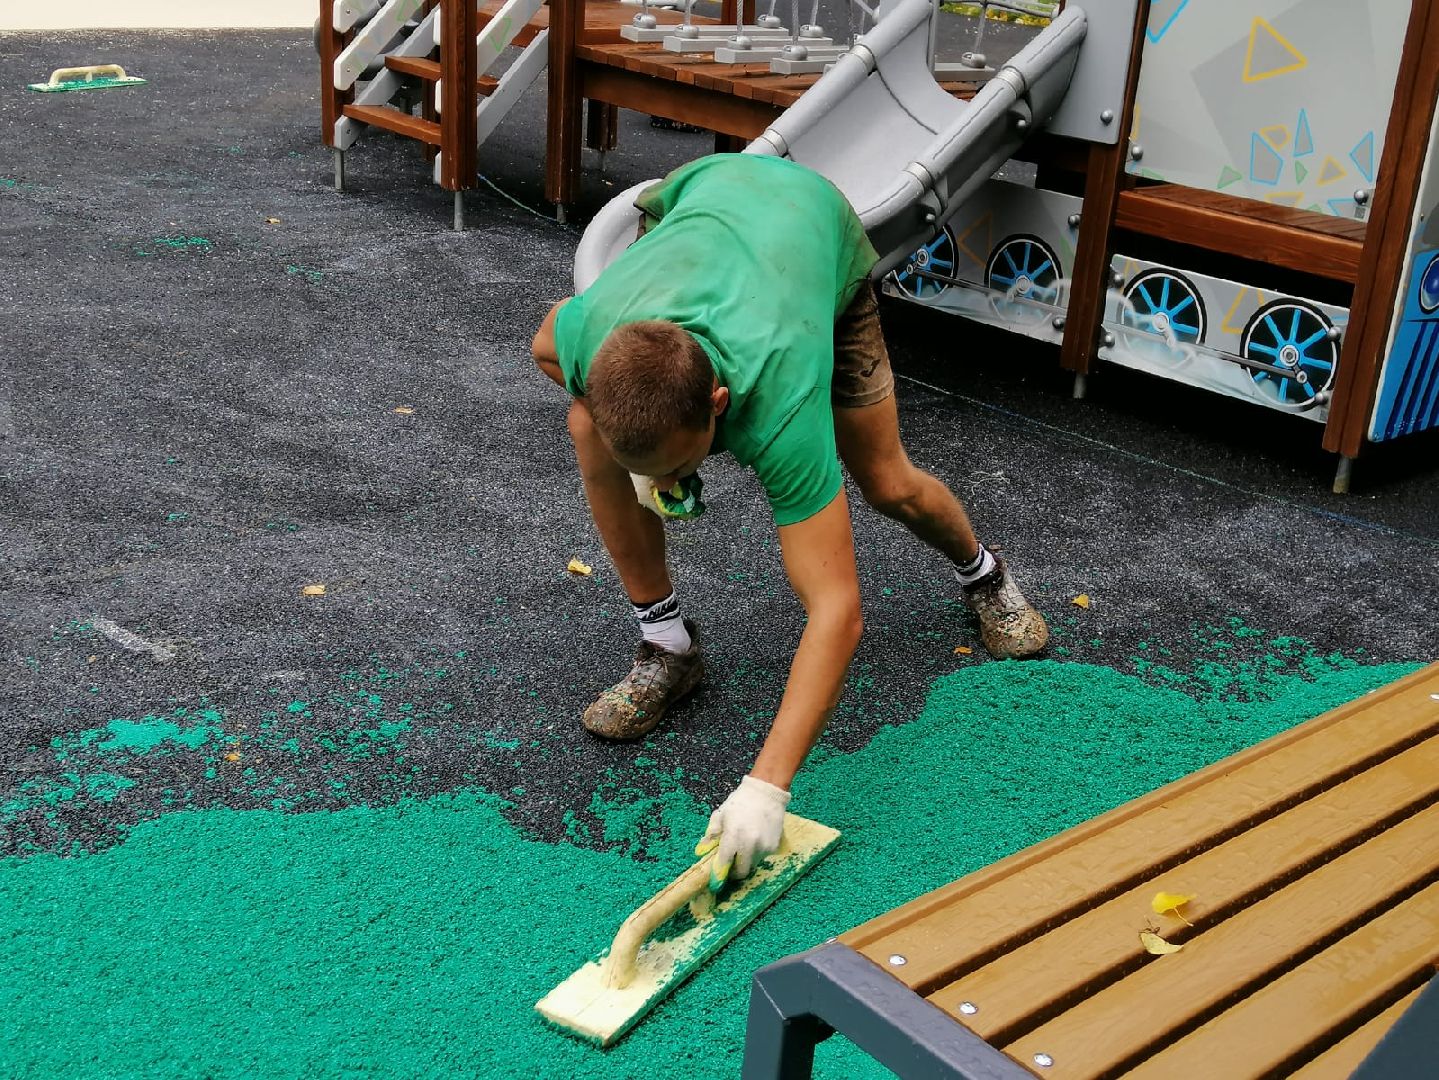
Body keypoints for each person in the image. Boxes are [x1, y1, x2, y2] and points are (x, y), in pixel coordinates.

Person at [531, 153, 1048, 889]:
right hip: (704, 195)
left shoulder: (780, 407)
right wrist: (652, 462)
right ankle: (667, 646)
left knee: (886, 482)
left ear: (718, 406)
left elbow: (837, 610)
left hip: (809, 238)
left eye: (685, 465)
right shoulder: (587, 336)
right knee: (589, 425)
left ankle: (984, 574)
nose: (673, 485)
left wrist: (766, 786)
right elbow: (544, 347)